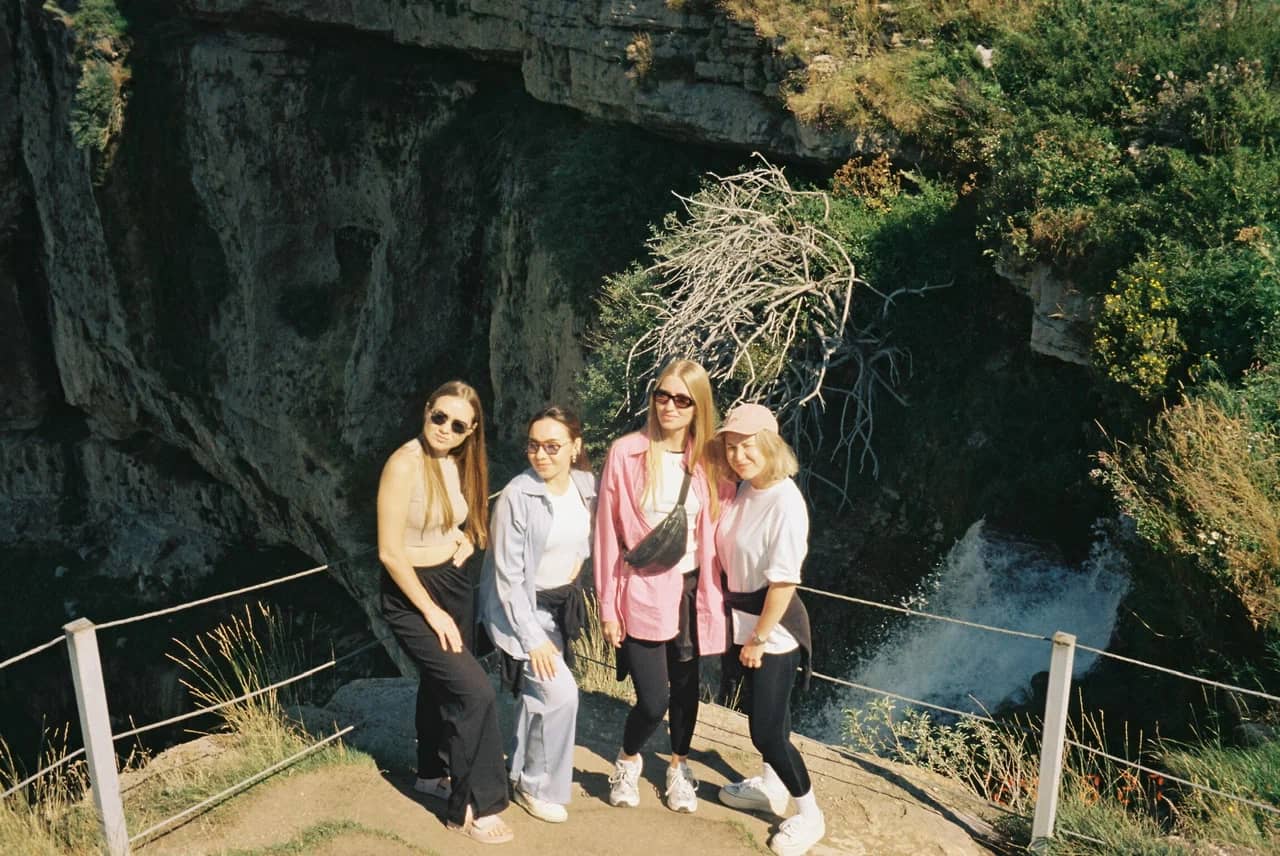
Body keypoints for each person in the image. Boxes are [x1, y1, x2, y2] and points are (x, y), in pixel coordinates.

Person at [376, 380, 513, 845]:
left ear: (470, 432)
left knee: (442, 683)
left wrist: (466, 538)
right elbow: (390, 552)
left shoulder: (456, 462)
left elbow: (461, 519)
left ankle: (431, 772)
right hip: (413, 595)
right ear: (427, 409)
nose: (445, 429)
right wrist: (432, 613)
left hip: (453, 582)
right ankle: (475, 804)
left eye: (458, 426)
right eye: (440, 417)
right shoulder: (403, 464)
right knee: (475, 692)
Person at [594, 359, 732, 813]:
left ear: (698, 407)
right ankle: (628, 759)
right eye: (662, 395)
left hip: (693, 590)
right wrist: (608, 608)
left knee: (687, 689)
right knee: (653, 699)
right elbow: (607, 536)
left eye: (681, 399)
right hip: (641, 590)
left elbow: (727, 525)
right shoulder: (626, 453)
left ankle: (678, 767)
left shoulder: (710, 462)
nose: (669, 406)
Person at [713, 403, 824, 856]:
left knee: (766, 732)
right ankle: (772, 786)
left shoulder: (786, 503)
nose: (738, 455)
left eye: (748, 446)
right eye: (731, 447)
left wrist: (758, 639)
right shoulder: (746, 488)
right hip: (745, 623)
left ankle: (810, 816)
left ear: (771, 445)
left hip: (773, 632)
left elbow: (783, 583)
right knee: (771, 718)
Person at [480, 406, 597, 824]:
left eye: (552, 446)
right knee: (561, 693)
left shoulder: (586, 486)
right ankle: (538, 787)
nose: (541, 455)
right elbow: (508, 578)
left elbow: (592, 534)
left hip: (561, 604)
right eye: (533, 446)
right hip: (525, 610)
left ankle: (521, 775)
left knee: (539, 697)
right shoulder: (517, 496)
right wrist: (533, 639)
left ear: (575, 447)